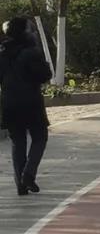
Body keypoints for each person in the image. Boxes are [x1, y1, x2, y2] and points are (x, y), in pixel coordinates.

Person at [0, 17, 52, 196]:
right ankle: (28, 174)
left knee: (18, 141)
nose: (33, 32)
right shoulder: (31, 52)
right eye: (30, 29)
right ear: (24, 32)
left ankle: (20, 185)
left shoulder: (3, 53)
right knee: (40, 137)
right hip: (31, 102)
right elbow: (45, 75)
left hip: (9, 103)